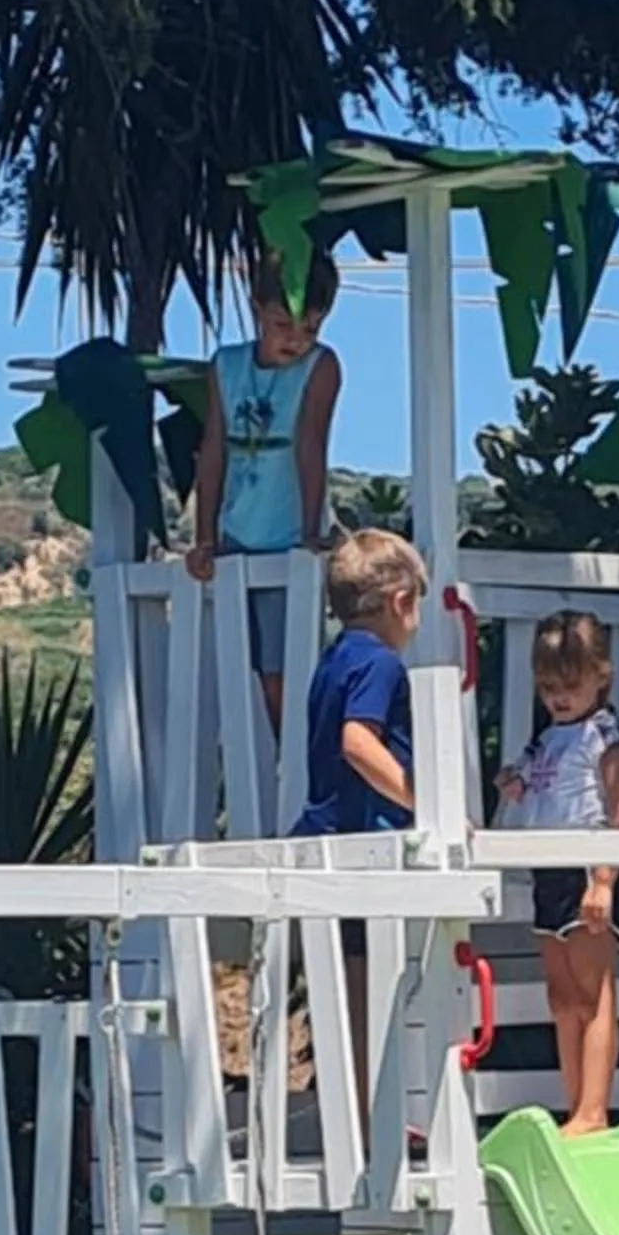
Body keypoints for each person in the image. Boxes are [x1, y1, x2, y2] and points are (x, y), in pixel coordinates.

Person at [292, 528, 425, 1123]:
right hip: (364, 848)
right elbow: (357, 742)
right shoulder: (382, 665)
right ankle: (373, 1129)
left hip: (325, 839)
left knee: (345, 996)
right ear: (400, 600)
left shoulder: (333, 660)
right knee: (371, 994)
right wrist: (422, 800)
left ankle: (357, 1122)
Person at [497, 609, 619, 1137]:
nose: (558, 697)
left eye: (570, 686)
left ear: (601, 676)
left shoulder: (606, 735)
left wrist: (604, 880)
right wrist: (514, 783)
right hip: (549, 870)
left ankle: (594, 1110)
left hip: (588, 869)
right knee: (562, 997)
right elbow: (538, 785)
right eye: (548, 687)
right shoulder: (547, 738)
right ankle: (574, 1102)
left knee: (593, 989)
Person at [189, 243, 342, 725]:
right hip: (235, 537)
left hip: (287, 538)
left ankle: (295, 751)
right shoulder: (226, 366)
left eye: (310, 328)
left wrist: (309, 531)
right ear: (257, 309)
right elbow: (213, 451)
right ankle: (277, 755)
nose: (296, 340)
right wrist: (204, 538)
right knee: (241, 668)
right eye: (282, 324)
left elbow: (310, 445)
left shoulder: (321, 367)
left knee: (283, 672)